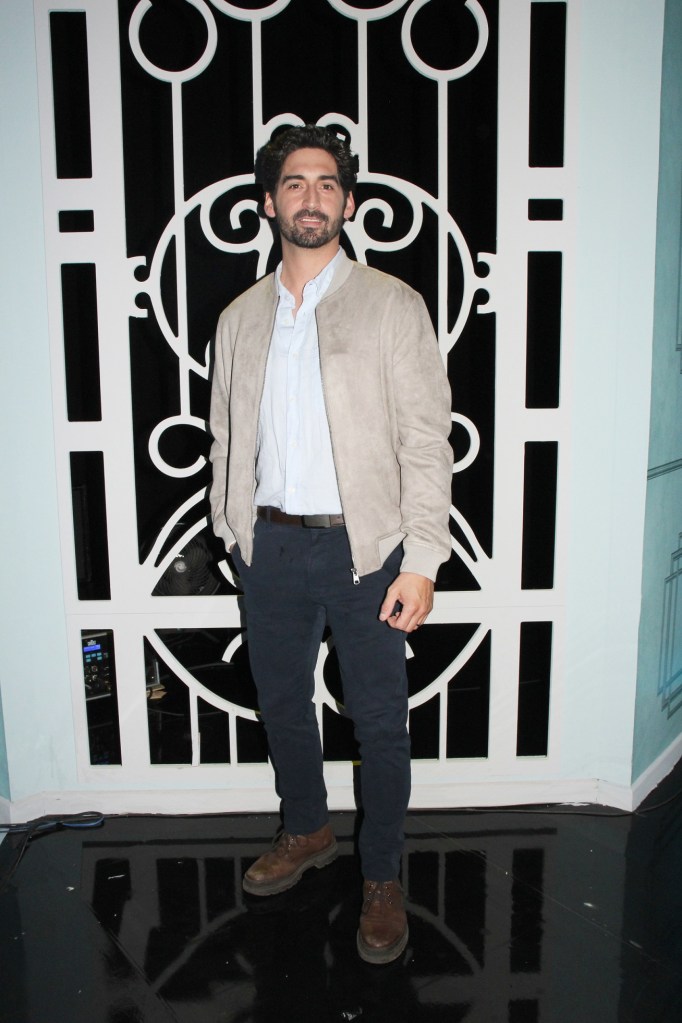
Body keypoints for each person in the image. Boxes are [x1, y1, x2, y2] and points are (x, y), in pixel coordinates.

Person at [209, 124, 453, 964]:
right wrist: (231, 529)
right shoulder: (240, 317)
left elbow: (426, 441)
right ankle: (308, 828)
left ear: (347, 204)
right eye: (293, 182)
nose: (309, 197)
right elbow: (225, 435)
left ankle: (381, 874)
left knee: (378, 721)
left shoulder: (392, 304)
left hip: (368, 551)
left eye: (325, 183)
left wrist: (423, 559)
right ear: (268, 202)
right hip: (270, 547)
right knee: (282, 703)